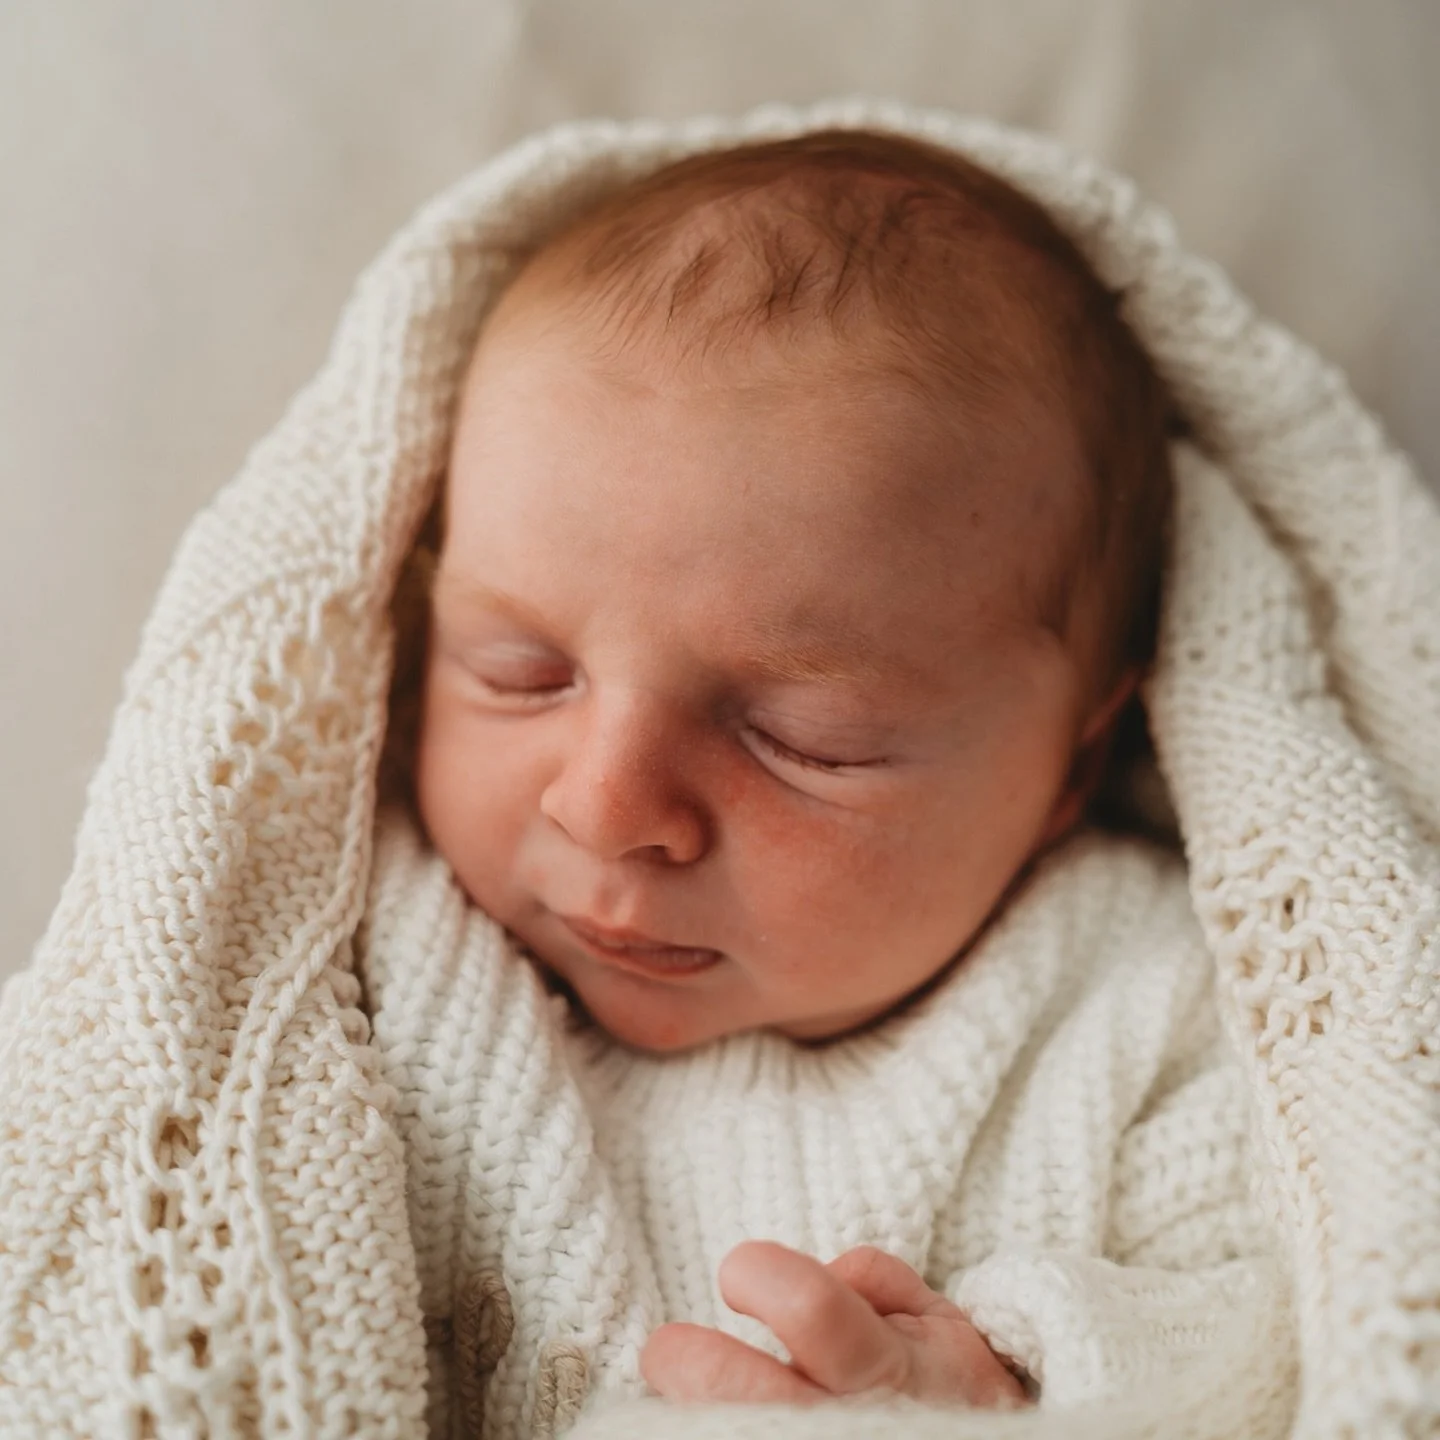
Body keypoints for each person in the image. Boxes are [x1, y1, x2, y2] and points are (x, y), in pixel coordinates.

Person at [362, 129, 1277, 1430]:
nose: (608, 808)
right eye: (520, 671)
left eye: (805, 738)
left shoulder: (1138, 1004)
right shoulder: (371, 954)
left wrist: (1016, 1385)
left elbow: (1276, 1309)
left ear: (1072, 761)